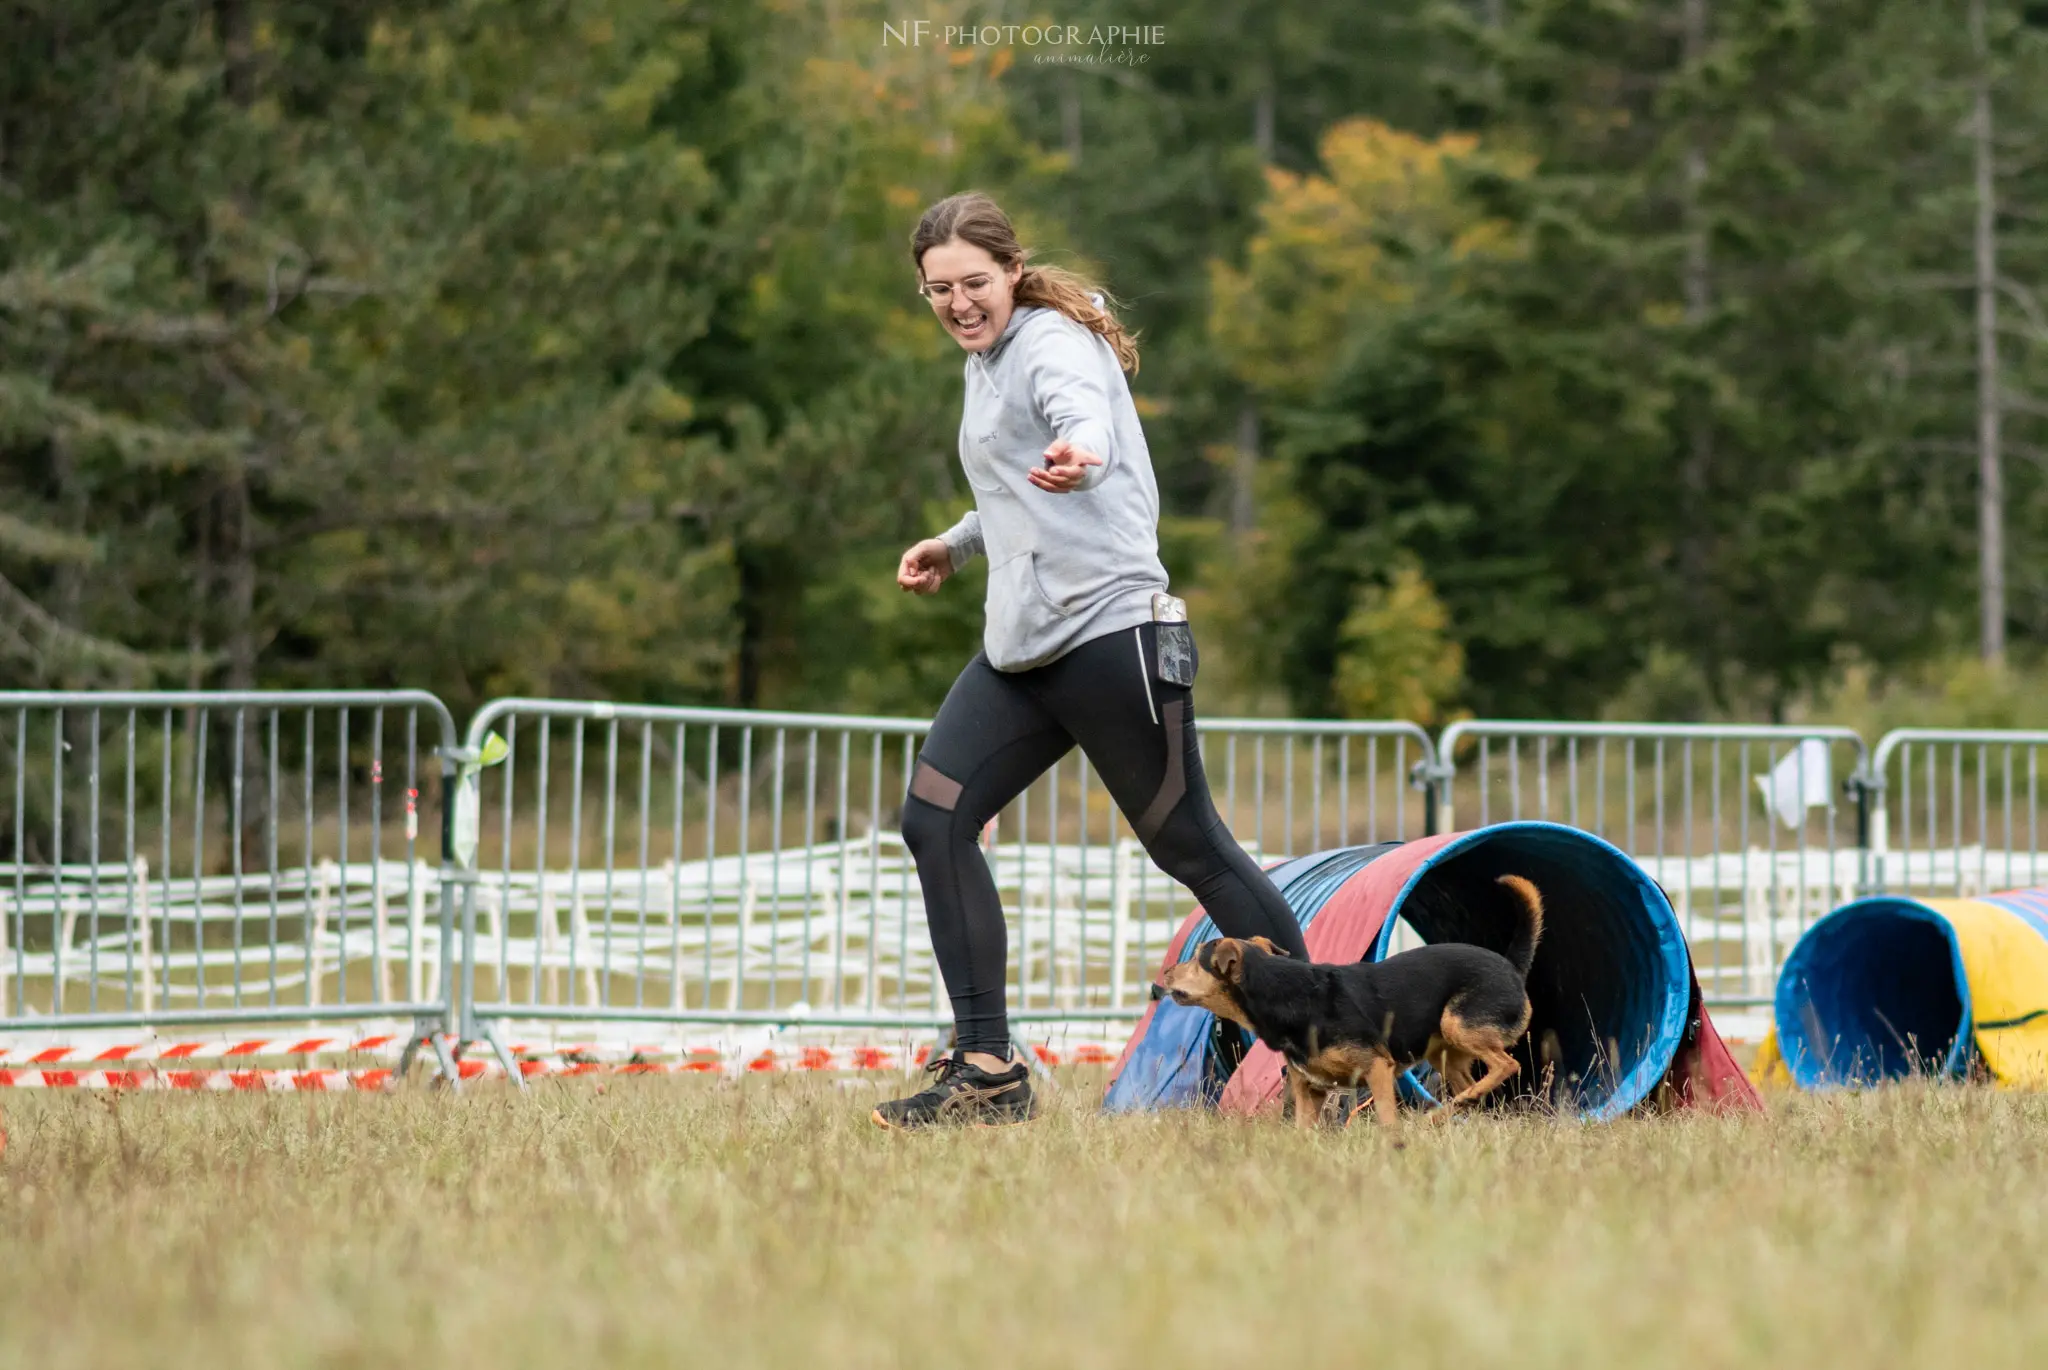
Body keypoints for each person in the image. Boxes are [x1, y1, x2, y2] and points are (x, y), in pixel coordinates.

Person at [871, 191, 1312, 1132]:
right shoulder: (984, 364)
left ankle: (1328, 1053)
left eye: (973, 284)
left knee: (1190, 845)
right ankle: (987, 1070)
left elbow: (1082, 422)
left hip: (1113, 634)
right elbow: (1014, 494)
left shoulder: (1050, 344)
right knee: (933, 820)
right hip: (1024, 646)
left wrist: (1087, 448)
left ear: (1013, 270)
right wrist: (956, 543)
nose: (957, 304)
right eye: (936, 290)